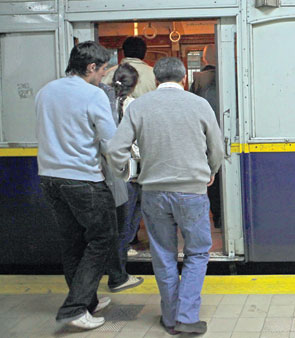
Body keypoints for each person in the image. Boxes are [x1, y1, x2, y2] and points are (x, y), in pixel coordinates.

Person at [106, 57, 224, 335]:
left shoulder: (140, 106)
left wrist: (127, 172)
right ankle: (186, 316)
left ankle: (170, 318)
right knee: (196, 253)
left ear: (156, 80)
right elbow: (216, 148)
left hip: (154, 193)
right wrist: (211, 171)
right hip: (192, 192)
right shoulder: (199, 104)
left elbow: (115, 149)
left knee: (163, 254)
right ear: (184, 78)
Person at [36, 41, 117, 330]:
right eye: (103, 69)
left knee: (72, 242)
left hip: (49, 178)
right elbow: (110, 140)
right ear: (91, 67)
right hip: (83, 179)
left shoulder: (46, 91)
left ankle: (88, 300)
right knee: (102, 239)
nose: (104, 75)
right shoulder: (92, 95)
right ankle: (75, 306)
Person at [101, 64, 146, 286]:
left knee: (119, 223)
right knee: (128, 222)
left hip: (111, 172)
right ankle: (118, 275)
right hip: (132, 172)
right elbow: (136, 142)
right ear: (134, 85)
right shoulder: (133, 106)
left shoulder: (103, 102)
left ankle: (117, 268)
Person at [190, 44, 222, 228]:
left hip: (204, 134)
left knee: (212, 180)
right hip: (228, 133)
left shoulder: (198, 80)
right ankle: (223, 217)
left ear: (204, 59)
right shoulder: (231, 74)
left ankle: (216, 215)